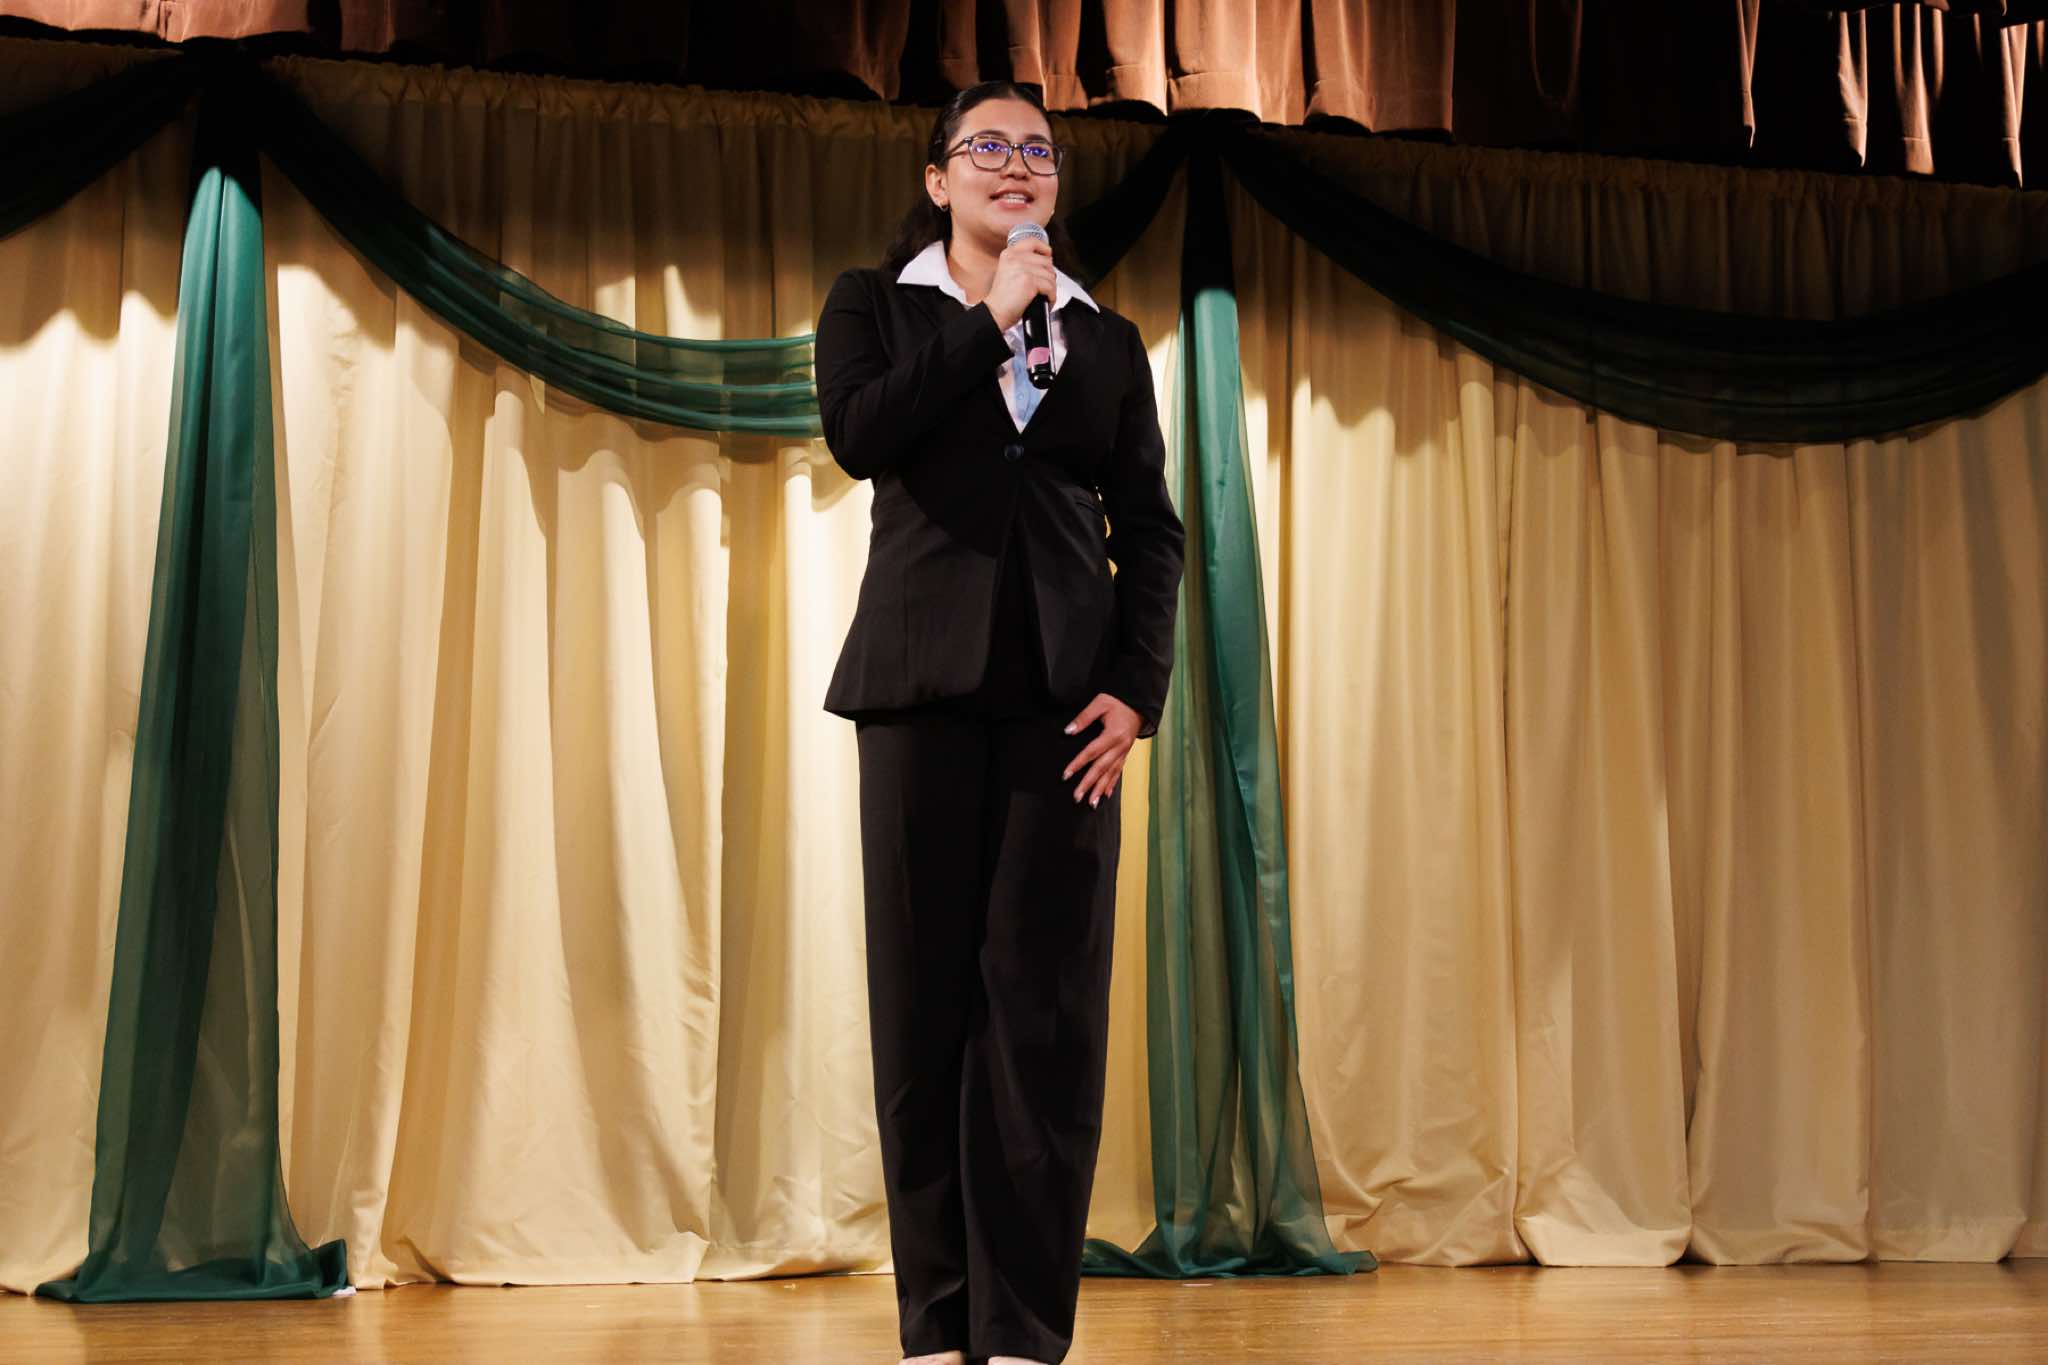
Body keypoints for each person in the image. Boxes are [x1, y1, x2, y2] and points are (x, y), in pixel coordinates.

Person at [813, 80, 1184, 1365]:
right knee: (923, 1016)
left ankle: (1021, 1331)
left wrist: (1135, 688)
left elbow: (1148, 532)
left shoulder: (1108, 341)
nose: (1015, 165)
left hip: (1063, 709)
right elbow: (861, 433)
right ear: (938, 180)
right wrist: (987, 318)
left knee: (1044, 1019)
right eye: (986, 147)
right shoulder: (875, 306)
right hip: (916, 691)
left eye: (1037, 149)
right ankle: (935, 1326)